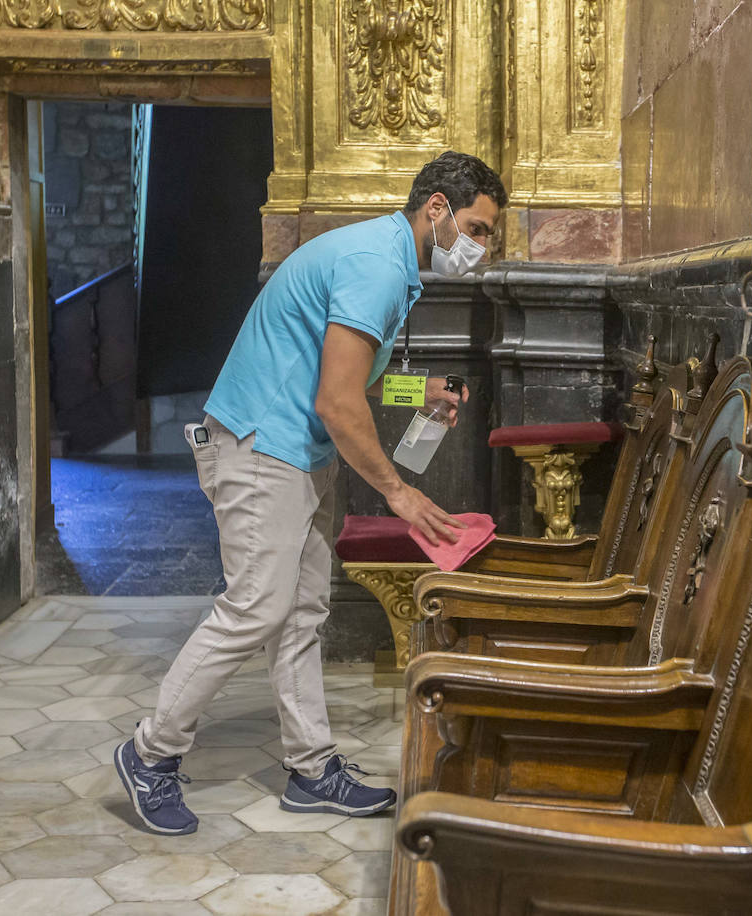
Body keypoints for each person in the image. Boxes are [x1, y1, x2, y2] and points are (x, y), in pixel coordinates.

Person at [115, 151, 506, 835]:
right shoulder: (376, 266)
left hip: (298, 455)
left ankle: (311, 769)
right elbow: (336, 399)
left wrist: (427, 391)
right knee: (255, 609)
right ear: (438, 208)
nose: (482, 247)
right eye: (479, 228)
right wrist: (397, 492)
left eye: (489, 235)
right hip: (263, 448)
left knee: (300, 613)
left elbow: (357, 377)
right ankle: (150, 753)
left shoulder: (388, 261)